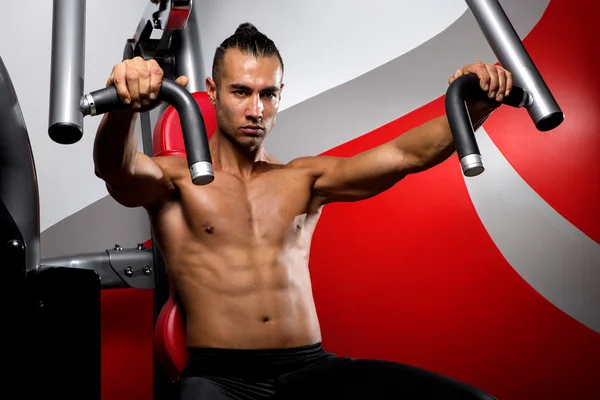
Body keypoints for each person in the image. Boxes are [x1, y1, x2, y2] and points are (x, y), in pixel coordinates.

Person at [94, 22, 511, 400]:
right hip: (219, 378)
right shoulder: (175, 179)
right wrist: (125, 107)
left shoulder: (303, 179)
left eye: (267, 94)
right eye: (241, 91)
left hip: (308, 369)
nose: (256, 110)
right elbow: (115, 169)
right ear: (213, 90)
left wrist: (472, 109)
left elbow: (404, 155)